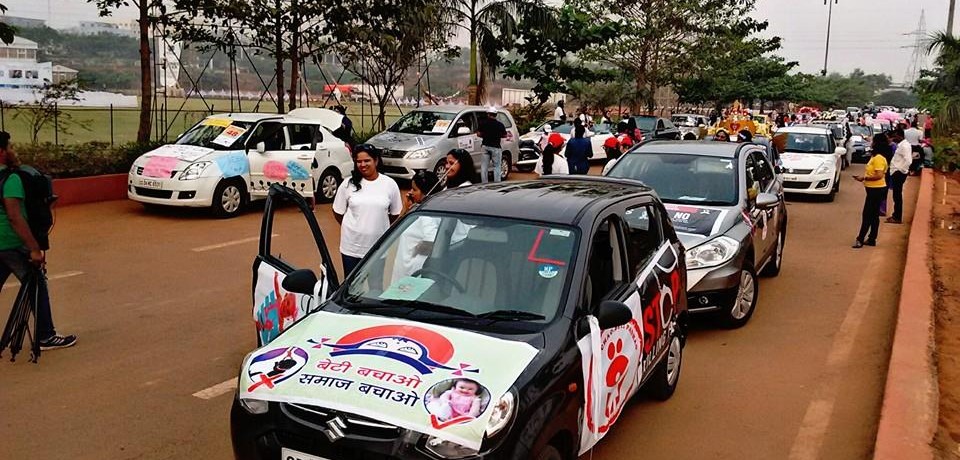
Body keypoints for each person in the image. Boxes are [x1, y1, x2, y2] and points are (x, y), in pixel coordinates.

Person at [0, 132, 76, 350]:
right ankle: (45, 335)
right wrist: (34, 248)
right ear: (1, 152)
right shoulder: (11, 179)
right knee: (36, 286)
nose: (12, 150)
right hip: (11, 244)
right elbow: (15, 217)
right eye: (8, 147)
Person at [333, 144, 403, 275]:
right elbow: (338, 212)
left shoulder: (389, 184)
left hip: (378, 248)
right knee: (351, 283)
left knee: (375, 284)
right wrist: (353, 227)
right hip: (351, 248)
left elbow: (395, 213)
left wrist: (378, 225)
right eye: (358, 161)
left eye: (367, 161)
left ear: (376, 161)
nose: (362, 165)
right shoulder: (348, 184)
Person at [391, 171, 441, 281]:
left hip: (412, 271)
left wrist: (417, 249)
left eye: (414, 189)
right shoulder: (417, 210)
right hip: (404, 268)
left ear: (426, 192)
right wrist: (405, 209)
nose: (410, 192)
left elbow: (432, 240)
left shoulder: (426, 216)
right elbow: (394, 230)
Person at [852, 146, 889, 248]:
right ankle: (872, 238)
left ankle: (860, 239)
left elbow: (879, 175)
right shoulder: (876, 157)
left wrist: (864, 178)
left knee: (867, 214)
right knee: (873, 215)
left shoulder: (878, 158)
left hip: (876, 190)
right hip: (874, 189)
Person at [475, 107, 507, 183]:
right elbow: (505, 135)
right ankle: (497, 184)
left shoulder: (483, 123)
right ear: (496, 115)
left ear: (488, 114)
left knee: (484, 167)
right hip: (496, 148)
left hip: (485, 146)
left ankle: (484, 184)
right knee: (497, 166)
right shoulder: (500, 125)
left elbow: (478, 134)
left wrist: (485, 135)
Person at [887, 129, 911, 224]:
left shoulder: (904, 146)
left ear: (900, 136)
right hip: (896, 172)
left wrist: (901, 170)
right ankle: (895, 215)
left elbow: (908, 160)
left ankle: (897, 217)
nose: (894, 138)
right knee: (896, 195)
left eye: (895, 136)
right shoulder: (901, 145)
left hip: (899, 173)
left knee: (897, 196)